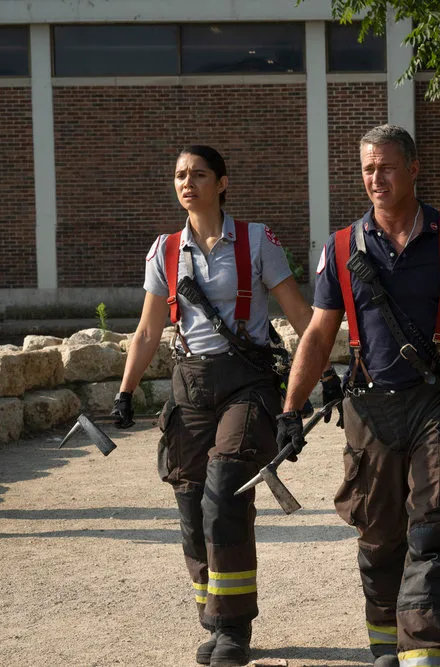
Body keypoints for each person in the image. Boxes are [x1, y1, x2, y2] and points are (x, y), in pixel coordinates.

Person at [276, 124, 440, 667]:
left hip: (437, 403)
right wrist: (290, 410)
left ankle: (428, 651)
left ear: (413, 170)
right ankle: (387, 646)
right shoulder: (342, 247)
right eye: (368, 169)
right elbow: (318, 334)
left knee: (436, 524)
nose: (376, 178)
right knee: (379, 536)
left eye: (386, 167)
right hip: (370, 408)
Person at [112, 145, 322, 667]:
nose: (187, 183)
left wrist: (330, 372)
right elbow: (147, 330)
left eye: (199, 174)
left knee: (225, 493)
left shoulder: (257, 240)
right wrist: (125, 391)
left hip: (247, 384)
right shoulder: (163, 250)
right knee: (190, 504)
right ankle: (212, 615)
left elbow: (301, 314)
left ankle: (233, 628)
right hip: (189, 386)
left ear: (222, 183)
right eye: (180, 175)